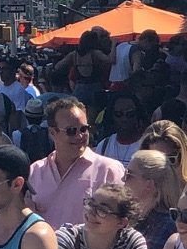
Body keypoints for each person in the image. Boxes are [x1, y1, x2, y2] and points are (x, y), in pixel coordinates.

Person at [28, 99, 124, 230]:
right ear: (52, 133)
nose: (80, 136)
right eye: (71, 130)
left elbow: (120, 220)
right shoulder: (35, 171)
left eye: (84, 129)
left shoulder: (109, 170)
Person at [140, 120, 187, 192]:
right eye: (154, 162)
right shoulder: (135, 198)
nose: (163, 169)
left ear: (185, 158)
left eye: (170, 160)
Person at [98, 96, 148, 166]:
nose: (124, 119)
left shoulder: (146, 146)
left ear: (138, 116)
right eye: (118, 114)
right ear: (112, 116)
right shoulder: (104, 146)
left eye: (130, 114)